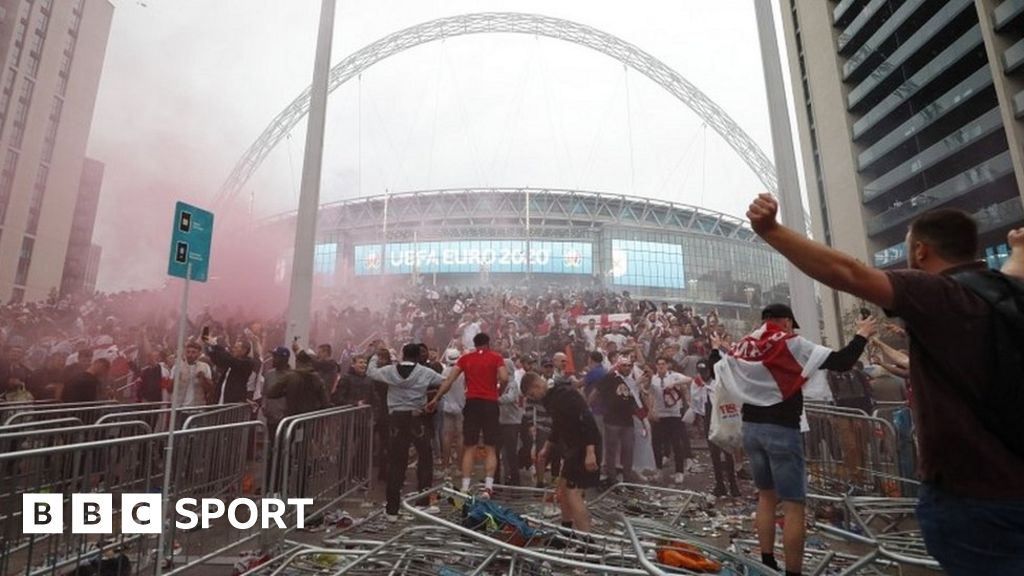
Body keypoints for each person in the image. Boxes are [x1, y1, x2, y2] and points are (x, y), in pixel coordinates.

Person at [746, 193, 1024, 574]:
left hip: (974, 497)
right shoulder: (1007, 293)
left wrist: (771, 230)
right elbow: (1014, 273)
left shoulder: (938, 294)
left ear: (921, 252)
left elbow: (850, 272)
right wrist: (1018, 249)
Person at [712, 304, 875, 576]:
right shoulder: (791, 343)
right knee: (793, 506)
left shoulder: (743, 346)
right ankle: (794, 572)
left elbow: (719, 368)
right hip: (782, 431)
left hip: (752, 428)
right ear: (785, 322)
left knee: (765, 497)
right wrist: (862, 334)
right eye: (790, 324)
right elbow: (842, 361)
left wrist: (718, 346)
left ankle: (766, 562)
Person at [427, 332, 509, 498]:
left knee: (469, 446)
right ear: (488, 344)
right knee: (490, 446)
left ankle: (465, 487)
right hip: (490, 403)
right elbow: (504, 377)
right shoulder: (496, 357)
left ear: (475, 343)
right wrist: (498, 391)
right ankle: (488, 487)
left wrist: (436, 398)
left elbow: (448, 380)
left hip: (472, 403)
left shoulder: (465, 359)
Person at [369, 343, 445, 521]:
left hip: (396, 418)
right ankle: (423, 503)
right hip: (417, 418)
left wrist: (374, 356)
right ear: (419, 355)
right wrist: (434, 398)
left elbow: (371, 372)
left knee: (396, 463)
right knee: (425, 459)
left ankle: (392, 510)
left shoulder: (389, 371)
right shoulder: (425, 372)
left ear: (402, 354)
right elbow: (444, 381)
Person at [522, 371, 601, 533]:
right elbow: (558, 426)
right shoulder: (549, 400)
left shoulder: (564, 394)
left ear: (537, 385)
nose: (534, 398)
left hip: (585, 446)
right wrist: (546, 448)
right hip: (573, 448)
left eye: (532, 394)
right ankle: (565, 532)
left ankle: (587, 542)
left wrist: (590, 451)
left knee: (573, 494)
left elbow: (587, 418)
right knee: (563, 491)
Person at [642, 357, 693, 484]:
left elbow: (689, 379)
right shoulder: (654, 379)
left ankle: (679, 471)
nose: (661, 367)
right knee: (656, 443)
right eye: (658, 364)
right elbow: (648, 392)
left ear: (667, 365)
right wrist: (651, 410)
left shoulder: (674, 376)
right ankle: (658, 470)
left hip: (674, 414)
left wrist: (675, 384)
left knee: (677, 443)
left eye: (663, 364)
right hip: (660, 415)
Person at [594, 355, 641, 484]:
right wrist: (593, 407)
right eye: (624, 365)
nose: (627, 368)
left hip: (627, 420)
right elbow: (597, 392)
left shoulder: (632, 381)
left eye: (629, 366)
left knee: (628, 449)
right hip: (612, 419)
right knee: (611, 450)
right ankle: (612, 477)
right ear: (618, 366)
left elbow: (636, 399)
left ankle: (627, 477)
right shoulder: (610, 378)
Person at [265, 349, 329, 417]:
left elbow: (271, 393)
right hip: (310, 420)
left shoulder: (291, 376)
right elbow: (325, 403)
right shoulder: (317, 378)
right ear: (310, 363)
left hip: (292, 418)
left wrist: (286, 391)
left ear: (297, 362)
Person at [205, 334, 260, 404]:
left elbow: (229, 359)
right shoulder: (232, 362)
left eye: (236, 348)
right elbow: (219, 361)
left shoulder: (247, 363)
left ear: (244, 350)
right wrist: (210, 347)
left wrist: (216, 345)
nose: (234, 350)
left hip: (233, 400)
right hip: (222, 398)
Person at [169, 341, 212, 409]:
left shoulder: (205, 367)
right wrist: (176, 379)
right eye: (188, 352)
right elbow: (169, 389)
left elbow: (210, 389)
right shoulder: (177, 367)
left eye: (193, 352)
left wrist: (203, 379)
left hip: (198, 408)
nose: (190, 355)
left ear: (199, 354)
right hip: (179, 408)